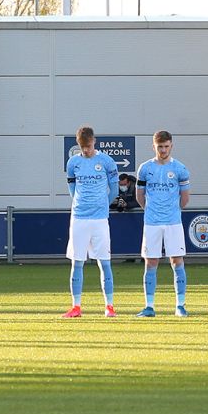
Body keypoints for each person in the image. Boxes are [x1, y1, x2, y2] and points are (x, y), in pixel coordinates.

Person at [63, 126, 119, 318]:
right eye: (82, 147)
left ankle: (109, 306)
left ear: (94, 141)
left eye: (87, 146)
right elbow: (72, 189)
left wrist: (102, 205)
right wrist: (80, 204)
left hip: (99, 219)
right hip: (79, 218)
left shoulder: (106, 161)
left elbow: (114, 190)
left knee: (104, 262)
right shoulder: (73, 163)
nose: (85, 150)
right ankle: (76, 306)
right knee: (77, 262)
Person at [135, 130, 192, 317]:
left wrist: (171, 211)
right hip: (151, 223)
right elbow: (140, 197)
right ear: (154, 147)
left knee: (177, 261)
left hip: (173, 223)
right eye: (160, 147)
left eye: (166, 146)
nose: (163, 150)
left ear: (171, 146)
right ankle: (149, 306)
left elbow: (184, 199)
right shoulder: (144, 168)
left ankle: (180, 305)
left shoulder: (180, 169)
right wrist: (152, 211)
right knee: (150, 262)